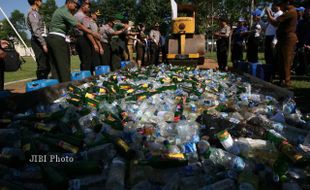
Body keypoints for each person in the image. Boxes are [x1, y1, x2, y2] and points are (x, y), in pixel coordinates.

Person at [46, 0, 100, 82]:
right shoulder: (64, 11)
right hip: (58, 38)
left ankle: (57, 87)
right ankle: (67, 86)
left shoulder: (62, 11)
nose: (76, 7)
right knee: (63, 65)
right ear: (69, 2)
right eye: (75, 5)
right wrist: (92, 32)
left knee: (55, 66)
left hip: (52, 38)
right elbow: (78, 25)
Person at [266, 0, 298, 87]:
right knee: (281, 59)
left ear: (285, 4)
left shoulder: (291, 12)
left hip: (288, 39)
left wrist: (268, 13)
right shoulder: (288, 12)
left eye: (280, 5)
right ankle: (282, 79)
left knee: (286, 60)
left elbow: (275, 23)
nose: (280, 7)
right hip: (283, 39)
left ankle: (287, 81)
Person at [27, 0, 50, 80]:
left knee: (47, 64)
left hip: (42, 38)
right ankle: (41, 86)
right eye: (40, 0)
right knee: (42, 65)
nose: (42, 2)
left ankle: (44, 82)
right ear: (36, 1)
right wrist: (43, 44)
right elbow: (36, 30)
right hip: (38, 40)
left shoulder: (37, 13)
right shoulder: (33, 13)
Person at [74, 1, 98, 73]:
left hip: (78, 39)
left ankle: (84, 77)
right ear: (83, 6)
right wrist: (94, 44)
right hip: (84, 39)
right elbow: (87, 32)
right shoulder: (83, 17)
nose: (89, 9)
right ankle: (87, 80)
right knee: (87, 61)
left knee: (83, 60)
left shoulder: (75, 15)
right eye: (88, 7)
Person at [264, 3, 283, 68]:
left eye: (273, 5)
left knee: (272, 56)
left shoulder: (280, 14)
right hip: (268, 36)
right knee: (268, 55)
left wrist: (275, 40)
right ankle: (269, 69)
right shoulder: (275, 14)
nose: (271, 7)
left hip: (272, 37)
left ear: (278, 6)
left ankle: (272, 70)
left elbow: (278, 28)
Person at [295, 7, 310, 75]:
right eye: (307, 12)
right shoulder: (301, 22)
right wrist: (302, 44)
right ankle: (304, 71)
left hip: (308, 44)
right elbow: (298, 34)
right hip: (302, 44)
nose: (308, 13)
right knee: (302, 55)